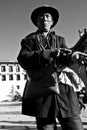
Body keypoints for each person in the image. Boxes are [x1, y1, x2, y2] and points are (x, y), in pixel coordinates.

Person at [17, 5, 84, 130]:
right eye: (41, 16)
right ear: (37, 22)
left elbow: (65, 59)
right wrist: (48, 53)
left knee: (75, 127)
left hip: (65, 93)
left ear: (52, 22)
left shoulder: (60, 39)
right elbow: (23, 59)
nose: (44, 18)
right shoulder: (28, 40)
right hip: (42, 93)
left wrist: (72, 57)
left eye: (47, 16)